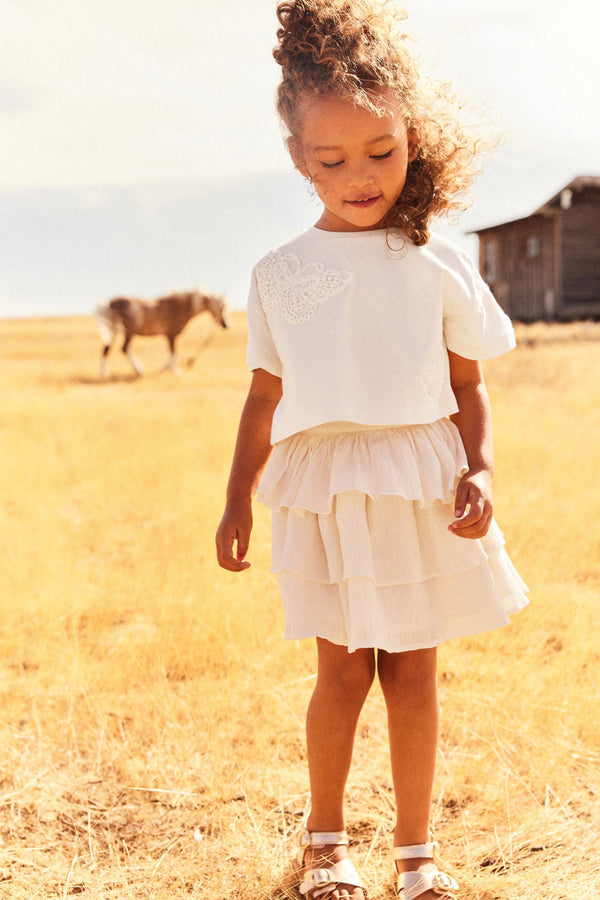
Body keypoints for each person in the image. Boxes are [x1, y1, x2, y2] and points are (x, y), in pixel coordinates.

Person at [216, 1, 529, 897]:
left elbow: (469, 386)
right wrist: (237, 499)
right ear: (297, 160)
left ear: (412, 136)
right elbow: (263, 397)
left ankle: (417, 856)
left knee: (416, 675)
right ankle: (325, 847)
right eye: (332, 160)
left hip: (422, 485)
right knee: (343, 671)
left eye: (382, 153)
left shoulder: (435, 262)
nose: (361, 176)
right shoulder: (280, 271)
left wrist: (480, 467)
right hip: (328, 490)